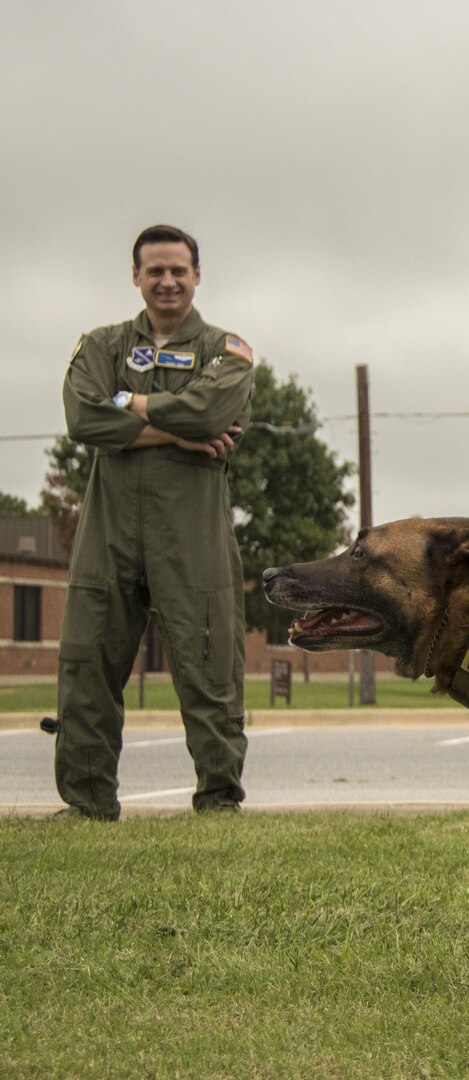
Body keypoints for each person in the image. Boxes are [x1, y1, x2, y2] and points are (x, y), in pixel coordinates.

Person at [53, 224, 255, 820]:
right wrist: (176, 432)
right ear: (136, 277)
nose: (167, 281)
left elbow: (213, 409)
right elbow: (83, 417)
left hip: (191, 538)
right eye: (155, 270)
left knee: (210, 666)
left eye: (178, 270)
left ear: (197, 276)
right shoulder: (102, 345)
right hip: (108, 533)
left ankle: (218, 801)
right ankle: (87, 804)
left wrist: (130, 402)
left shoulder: (227, 350)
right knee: (87, 664)